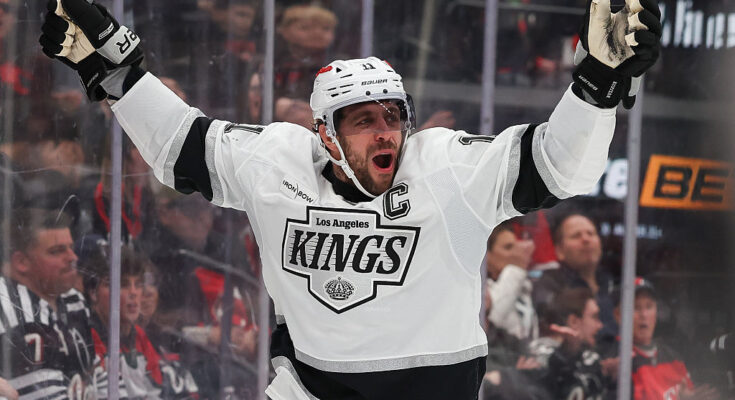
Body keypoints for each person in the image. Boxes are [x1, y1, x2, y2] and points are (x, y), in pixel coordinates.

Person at [39, 0, 662, 397]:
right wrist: (121, 74)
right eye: (364, 120)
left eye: (393, 116)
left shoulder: (448, 167)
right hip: (311, 387)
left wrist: (596, 85)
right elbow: (180, 145)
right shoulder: (276, 162)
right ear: (326, 135)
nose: (385, 131)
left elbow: (559, 166)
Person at [0, 208, 104, 398]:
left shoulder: (72, 299)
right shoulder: (7, 306)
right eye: (57, 251)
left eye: (71, 247)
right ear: (21, 262)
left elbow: (98, 374)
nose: (73, 258)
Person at [82, 245, 199, 398]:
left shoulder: (138, 335)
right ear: (93, 292)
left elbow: (155, 389)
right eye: (122, 285)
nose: (133, 293)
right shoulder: (87, 338)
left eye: (138, 284)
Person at [601, 278, 721, 400]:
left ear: (656, 311)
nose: (644, 315)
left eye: (649, 306)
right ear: (618, 315)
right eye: (636, 307)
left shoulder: (672, 356)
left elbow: (687, 391)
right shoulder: (613, 360)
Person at [533, 212, 618, 339]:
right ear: (559, 250)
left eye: (591, 233)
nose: (586, 239)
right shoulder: (549, 285)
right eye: (576, 236)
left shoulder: (614, 285)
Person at [485, 221, 537, 341]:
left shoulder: (525, 285)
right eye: (508, 247)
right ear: (487, 255)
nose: (515, 253)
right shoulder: (481, 290)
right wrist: (516, 269)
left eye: (516, 247)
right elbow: (494, 317)